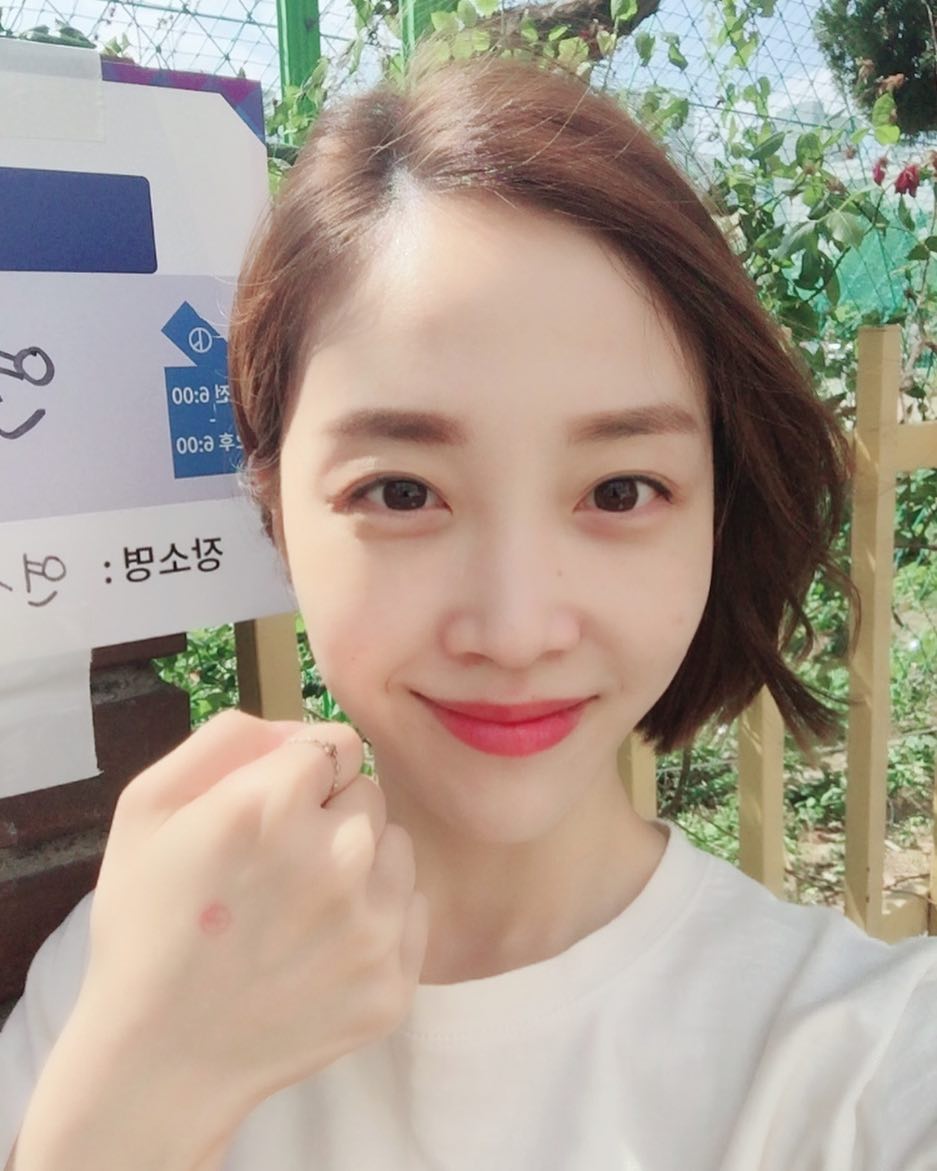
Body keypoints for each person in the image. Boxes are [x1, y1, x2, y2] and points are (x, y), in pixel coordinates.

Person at [2, 38, 936, 1171]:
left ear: (715, 509)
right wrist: (146, 1087)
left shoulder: (867, 1069)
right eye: (401, 492)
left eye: (619, 490)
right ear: (275, 508)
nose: (514, 629)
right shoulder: (133, 970)